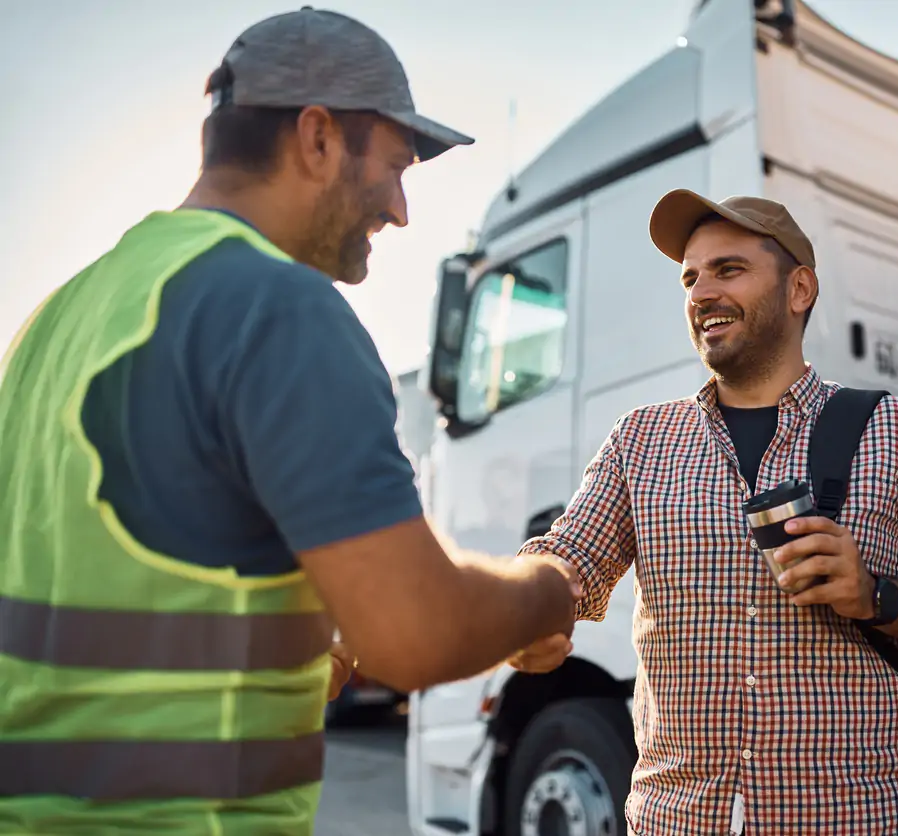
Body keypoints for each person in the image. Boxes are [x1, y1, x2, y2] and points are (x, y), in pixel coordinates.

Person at [0, 8, 579, 835]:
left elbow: (124, 598)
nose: (402, 208)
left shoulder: (55, 321)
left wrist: (298, 652)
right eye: (395, 164)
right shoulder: (276, 308)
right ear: (316, 138)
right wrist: (546, 593)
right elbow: (415, 636)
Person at [509, 189, 898, 835]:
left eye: (729, 270)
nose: (701, 293)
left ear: (799, 288)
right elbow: (569, 558)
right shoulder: (640, 440)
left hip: (864, 822)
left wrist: (877, 596)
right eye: (690, 278)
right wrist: (527, 609)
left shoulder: (894, 430)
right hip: (680, 823)